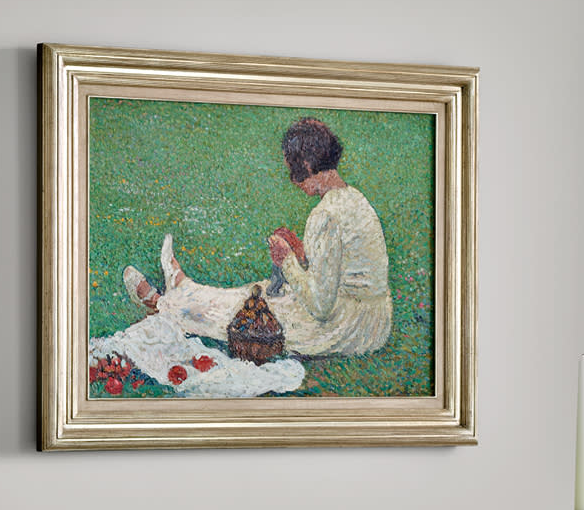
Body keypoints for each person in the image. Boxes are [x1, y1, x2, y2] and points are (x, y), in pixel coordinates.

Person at [123, 117, 393, 358]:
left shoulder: (325, 215)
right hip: (374, 322)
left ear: (307, 165)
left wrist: (287, 261)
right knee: (260, 293)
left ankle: (163, 303)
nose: (293, 181)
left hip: (345, 327)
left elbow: (321, 306)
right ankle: (183, 288)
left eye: (293, 172)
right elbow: (340, 269)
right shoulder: (354, 198)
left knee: (251, 311)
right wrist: (301, 255)